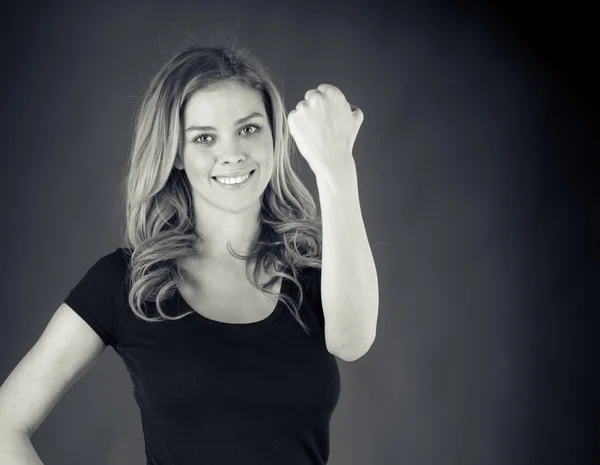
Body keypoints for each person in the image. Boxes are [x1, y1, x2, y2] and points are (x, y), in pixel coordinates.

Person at [0, 44, 378, 464]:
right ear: (176, 153)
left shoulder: (314, 271)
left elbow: (352, 341)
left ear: (276, 136)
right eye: (204, 138)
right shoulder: (129, 281)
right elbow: (5, 424)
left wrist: (335, 166)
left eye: (249, 129)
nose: (231, 153)